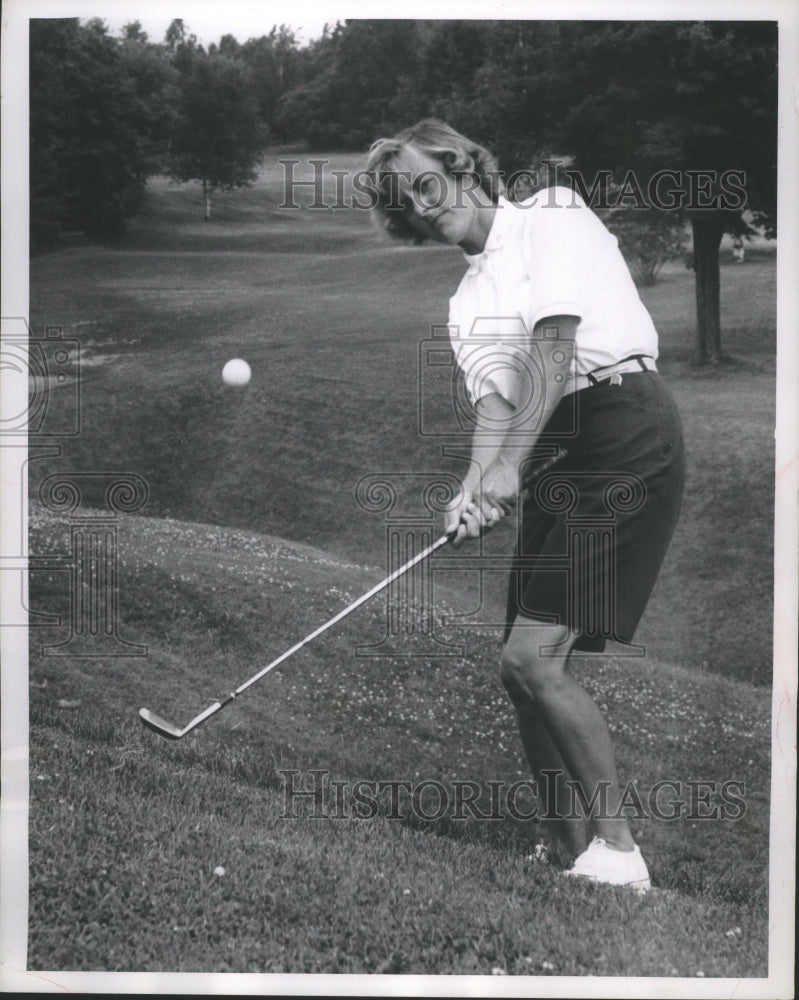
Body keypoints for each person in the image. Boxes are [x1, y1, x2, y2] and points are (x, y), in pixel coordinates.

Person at [365, 120, 684, 891]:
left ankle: (620, 855)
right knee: (520, 668)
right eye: (402, 200)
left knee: (531, 655)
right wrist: (473, 488)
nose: (418, 201)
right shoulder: (463, 298)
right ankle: (570, 850)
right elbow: (496, 404)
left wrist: (510, 467)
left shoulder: (552, 213)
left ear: (461, 162)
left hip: (622, 428)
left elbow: (554, 344)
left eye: (424, 179)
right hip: (559, 449)